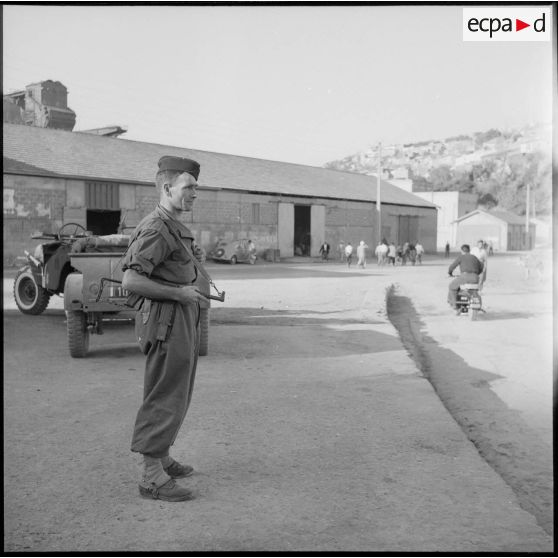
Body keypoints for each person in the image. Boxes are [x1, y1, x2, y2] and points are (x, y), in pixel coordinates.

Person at [121, 155, 210, 502]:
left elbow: (169, 266)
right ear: (167, 188)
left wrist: (192, 261)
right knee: (164, 393)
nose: (194, 194)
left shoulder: (173, 225)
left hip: (179, 318)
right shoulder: (157, 226)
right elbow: (131, 278)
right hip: (165, 321)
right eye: (188, 188)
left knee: (178, 391)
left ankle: (161, 457)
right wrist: (178, 292)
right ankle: (151, 477)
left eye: (195, 189)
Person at [447, 244, 483, 312]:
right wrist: (477, 273)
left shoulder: (461, 257)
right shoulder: (474, 257)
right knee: (474, 291)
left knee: (451, 286)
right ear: (469, 250)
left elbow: (452, 266)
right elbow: (481, 266)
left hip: (465, 276)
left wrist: (450, 273)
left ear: (461, 251)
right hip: (475, 277)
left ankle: (454, 305)